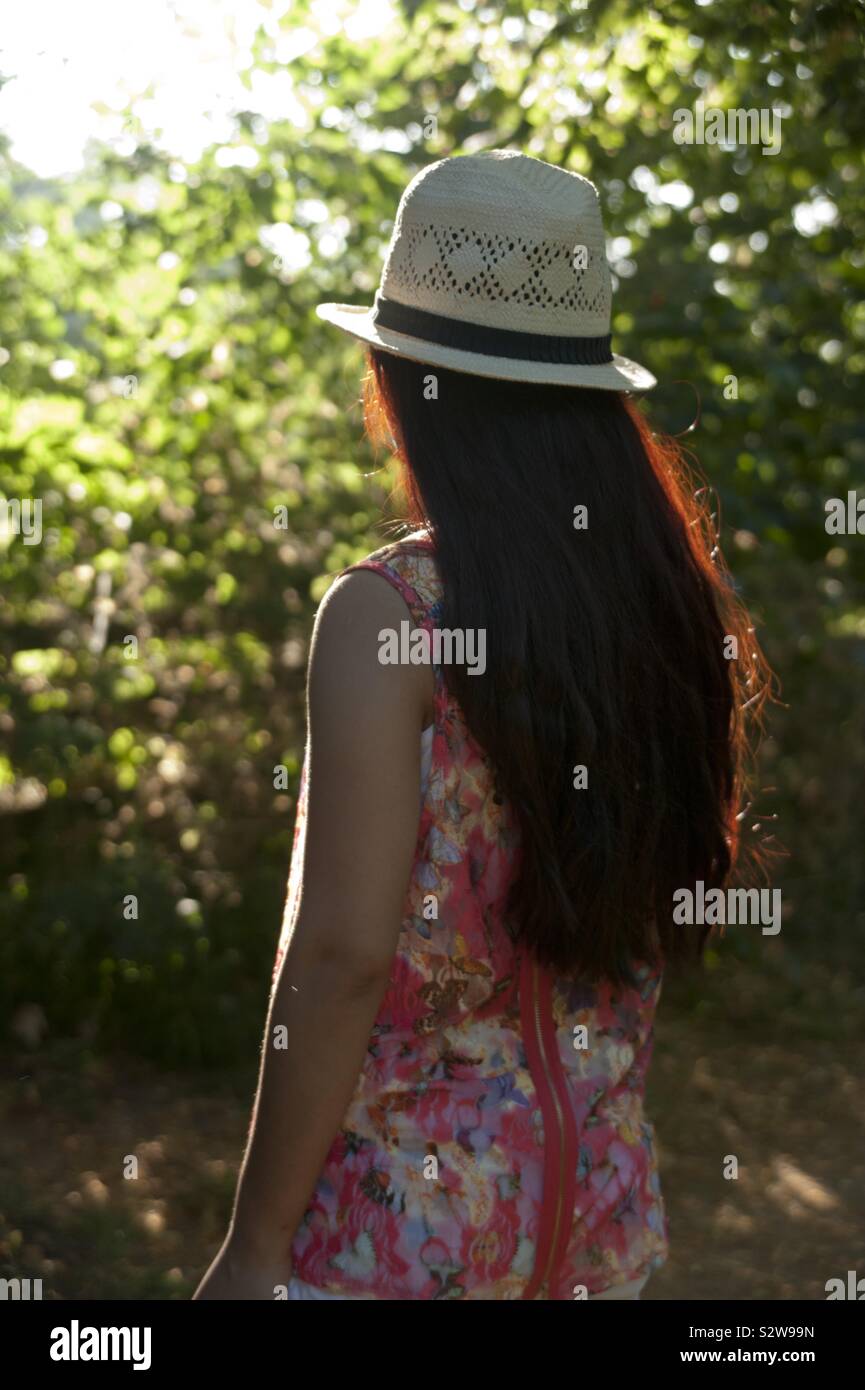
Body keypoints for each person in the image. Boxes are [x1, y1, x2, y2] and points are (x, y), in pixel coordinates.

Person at [194, 150, 768, 1301]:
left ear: (400, 378)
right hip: (597, 1227)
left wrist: (253, 1248)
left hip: (397, 1245)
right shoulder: (665, 603)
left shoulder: (385, 615)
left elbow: (345, 954)